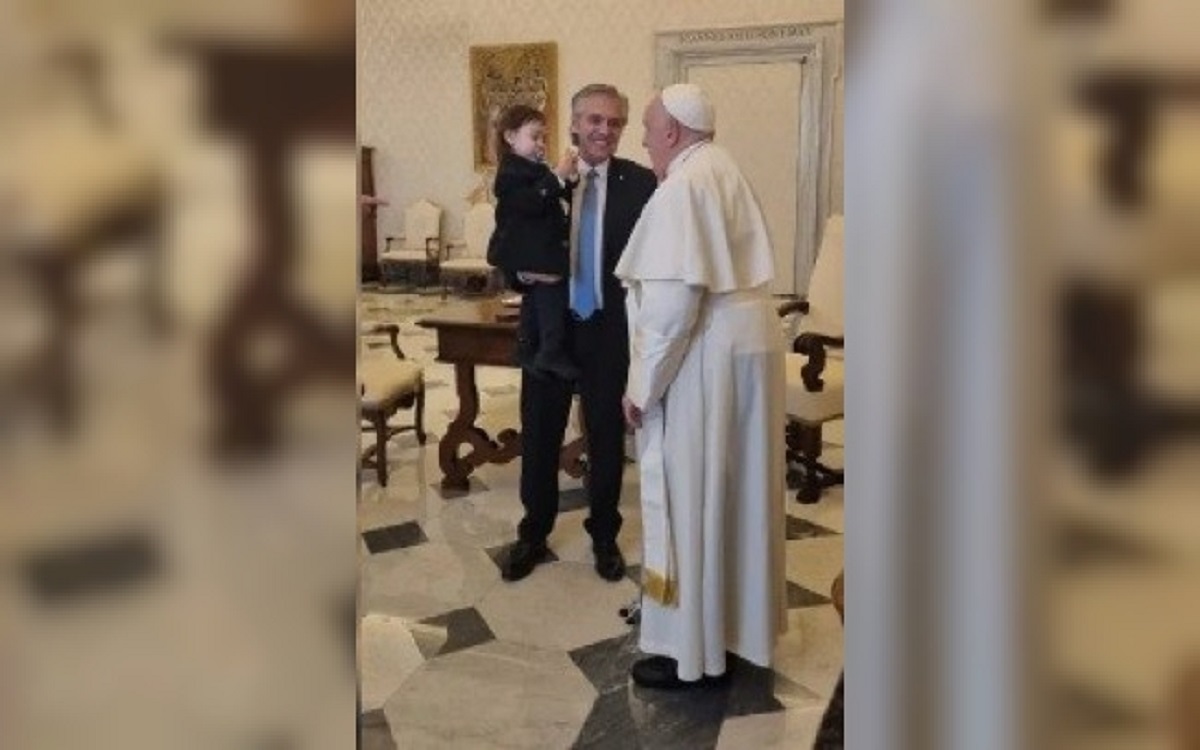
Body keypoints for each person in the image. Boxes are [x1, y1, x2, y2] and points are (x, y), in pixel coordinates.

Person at [615, 83, 787, 689]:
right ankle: (734, 630)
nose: (640, 139)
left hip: (705, 357)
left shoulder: (684, 187)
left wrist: (641, 387)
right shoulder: (724, 168)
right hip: (743, 346)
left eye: (645, 127)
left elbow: (670, 306)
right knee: (734, 496)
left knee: (693, 494)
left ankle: (694, 652)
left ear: (671, 132)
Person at [500, 84, 657, 582]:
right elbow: (506, 240)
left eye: (614, 122)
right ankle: (534, 532)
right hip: (550, 330)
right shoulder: (542, 178)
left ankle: (605, 535)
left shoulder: (642, 184)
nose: (603, 130)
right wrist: (517, 275)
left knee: (607, 438)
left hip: (608, 333)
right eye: (593, 120)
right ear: (573, 124)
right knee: (540, 435)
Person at [487, 104, 580, 380]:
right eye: (534, 136)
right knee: (552, 290)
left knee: (536, 296)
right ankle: (550, 349)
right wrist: (557, 176)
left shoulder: (532, 168)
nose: (541, 144)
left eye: (543, 138)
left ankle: (526, 346)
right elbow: (532, 202)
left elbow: (552, 193)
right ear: (510, 137)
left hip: (538, 248)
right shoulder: (510, 172)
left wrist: (570, 180)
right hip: (526, 249)